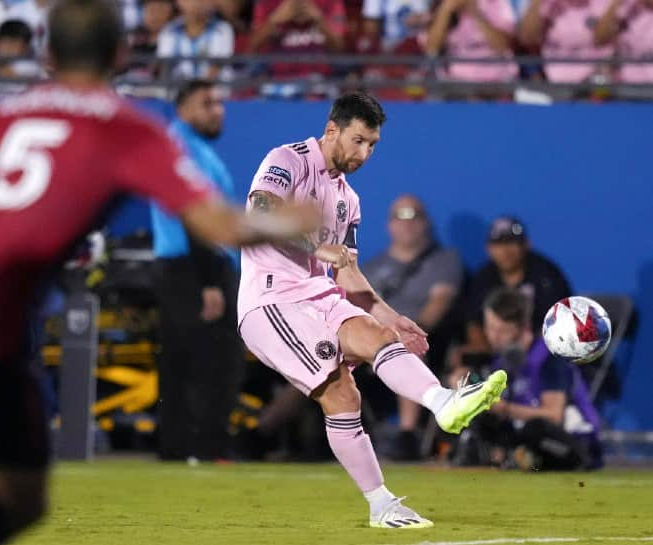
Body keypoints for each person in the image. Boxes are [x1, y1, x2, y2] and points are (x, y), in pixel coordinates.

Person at [0, 1, 320, 544]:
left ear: (46, 53)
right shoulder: (127, 129)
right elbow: (220, 227)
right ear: (122, 53)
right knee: (20, 499)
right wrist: (288, 220)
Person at [238, 91, 507, 529]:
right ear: (332, 130)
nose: (364, 153)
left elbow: (347, 275)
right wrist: (319, 247)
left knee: (376, 345)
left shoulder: (349, 199)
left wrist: (390, 315)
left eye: (373, 145)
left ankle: (441, 406)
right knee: (340, 392)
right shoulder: (287, 160)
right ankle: (382, 501)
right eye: (359, 141)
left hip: (317, 294)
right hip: (270, 300)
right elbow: (260, 215)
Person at [151, 79, 243, 461]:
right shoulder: (184, 148)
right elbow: (193, 215)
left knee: (183, 361)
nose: (217, 110)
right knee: (212, 363)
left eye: (220, 103)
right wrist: (209, 281)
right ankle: (204, 449)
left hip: (187, 266)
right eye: (207, 103)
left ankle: (178, 450)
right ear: (182, 108)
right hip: (195, 268)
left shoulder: (191, 148)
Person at [363, 194, 464, 460]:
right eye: (399, 216)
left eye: (413, 216)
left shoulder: (444, 261)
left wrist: (400, 333)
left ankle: (407, 436)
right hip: (369, 341)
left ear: (426, 223)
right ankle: (267, 432)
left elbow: (438, 305)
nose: (406, 223)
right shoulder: (371, 267)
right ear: (389, 225)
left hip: (418, 338)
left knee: (409, 343)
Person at [466, 288, 603, 471]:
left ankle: (518, 458)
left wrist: (502, 407)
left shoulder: (549, 358)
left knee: (535, 428)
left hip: (575, 442)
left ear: (525, 328)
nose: (494, 337)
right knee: (481, 420)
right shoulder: (500, 362)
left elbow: (553, 416)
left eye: (503, 330)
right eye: (490, 327)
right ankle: (504, 458)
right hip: (531, 439)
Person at [459, 216, 572, 358]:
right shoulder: (484, 278)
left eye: (512, 242)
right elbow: (473, 322)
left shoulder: (546, 275)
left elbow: (560, 322)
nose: (505, 251)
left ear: (526, 245)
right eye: (498, 244)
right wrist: (486, 354)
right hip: (496, 355)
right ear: (488, 249)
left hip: (543, 353)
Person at [156, 0, 235, 79]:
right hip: (177, 88)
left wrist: (200, 88)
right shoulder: (168, 31)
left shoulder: (223, 29)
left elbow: (216, 67)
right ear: (180, 2)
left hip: (212, 88)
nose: (199, 3)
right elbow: (165, 68)